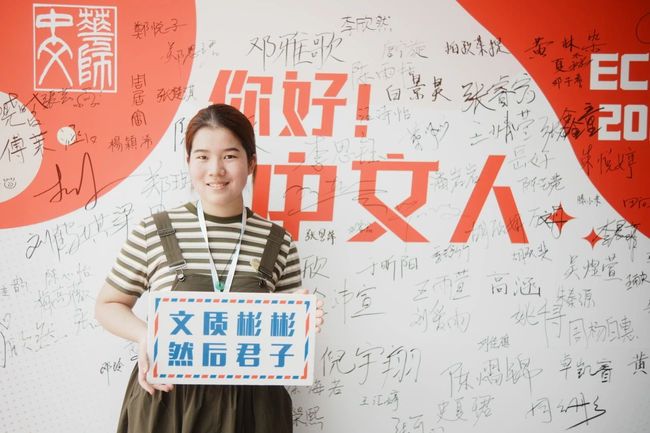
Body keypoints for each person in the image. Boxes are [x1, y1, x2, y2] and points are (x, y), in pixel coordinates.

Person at [95, 103, 324, 433]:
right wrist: (147, 336)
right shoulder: (154, 231)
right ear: (189, 162)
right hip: (168, 401)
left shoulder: (277, 241)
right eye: (202, 156)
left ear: (251, 163)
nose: (215, 169)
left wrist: (304, 317)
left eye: (229, 156)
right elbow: (108, 304)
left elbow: (287, 333)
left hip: (252, 407)